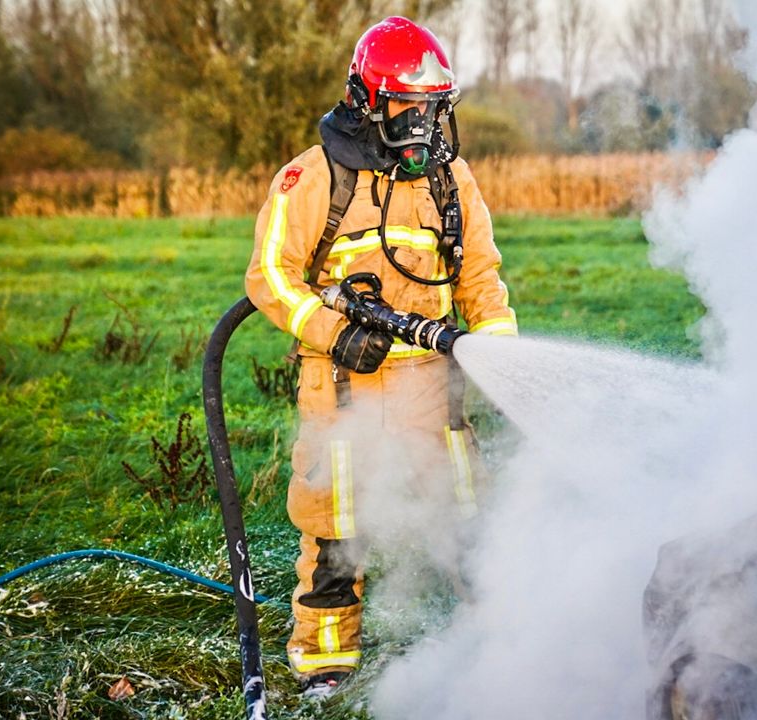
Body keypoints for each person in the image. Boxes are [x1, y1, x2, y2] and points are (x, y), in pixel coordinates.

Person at [244, 16, 517, 698]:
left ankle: (504, 643)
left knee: (468, 519)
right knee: (334, 534)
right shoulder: (312, 179)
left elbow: (480, 277)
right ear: (367, 100)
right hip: (341, 388)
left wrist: (501, 358)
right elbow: (269, 278)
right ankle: (325, 664)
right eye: (407, 108)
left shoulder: (451, 182)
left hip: (433, 387)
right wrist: (334, 334)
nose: (422, 125)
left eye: (432, 110)